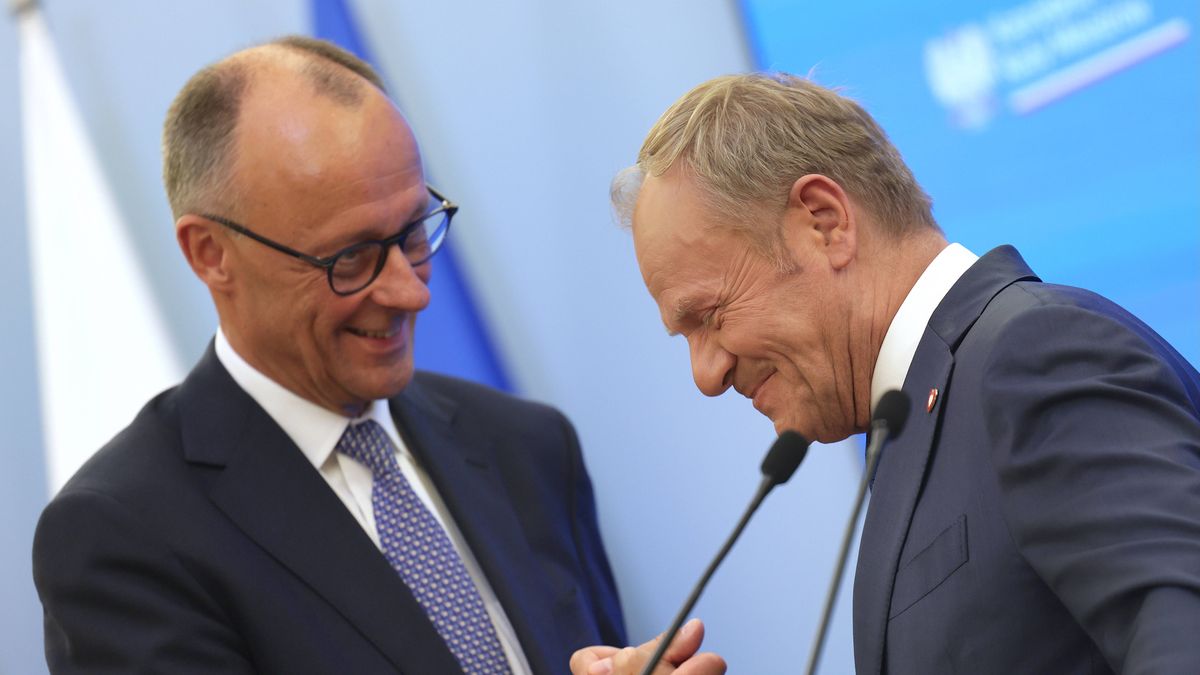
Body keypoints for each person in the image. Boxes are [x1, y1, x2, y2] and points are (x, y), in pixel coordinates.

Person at [571, 72, 1200, 675]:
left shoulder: (1034, 355)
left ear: (824, 222)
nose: (706, 375)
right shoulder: (915, 423)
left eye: (709, 315)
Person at [32, 36, 625, 674]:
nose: (411, 290)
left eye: (414, 232)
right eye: (352, 257)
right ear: (211, 253)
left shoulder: (528, 447)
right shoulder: (125, 536)